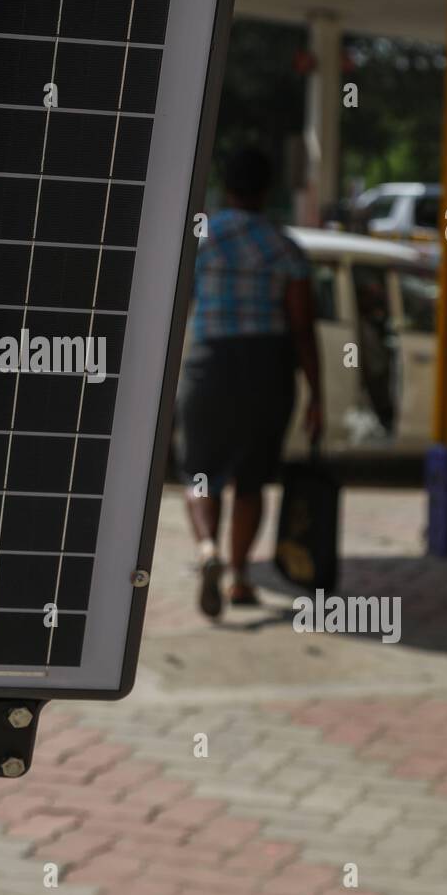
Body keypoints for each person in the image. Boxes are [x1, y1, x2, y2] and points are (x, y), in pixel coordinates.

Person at [178, 147, 323, 618]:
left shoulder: (200, 240)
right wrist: (316, 395)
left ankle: (206, 551)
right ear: (266, 191)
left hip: (209, 364)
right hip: (268, 368)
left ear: (226, 186)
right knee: (251, 481)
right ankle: (239, 576)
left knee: (201, 473)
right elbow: (302, 327)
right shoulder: (285, 247)